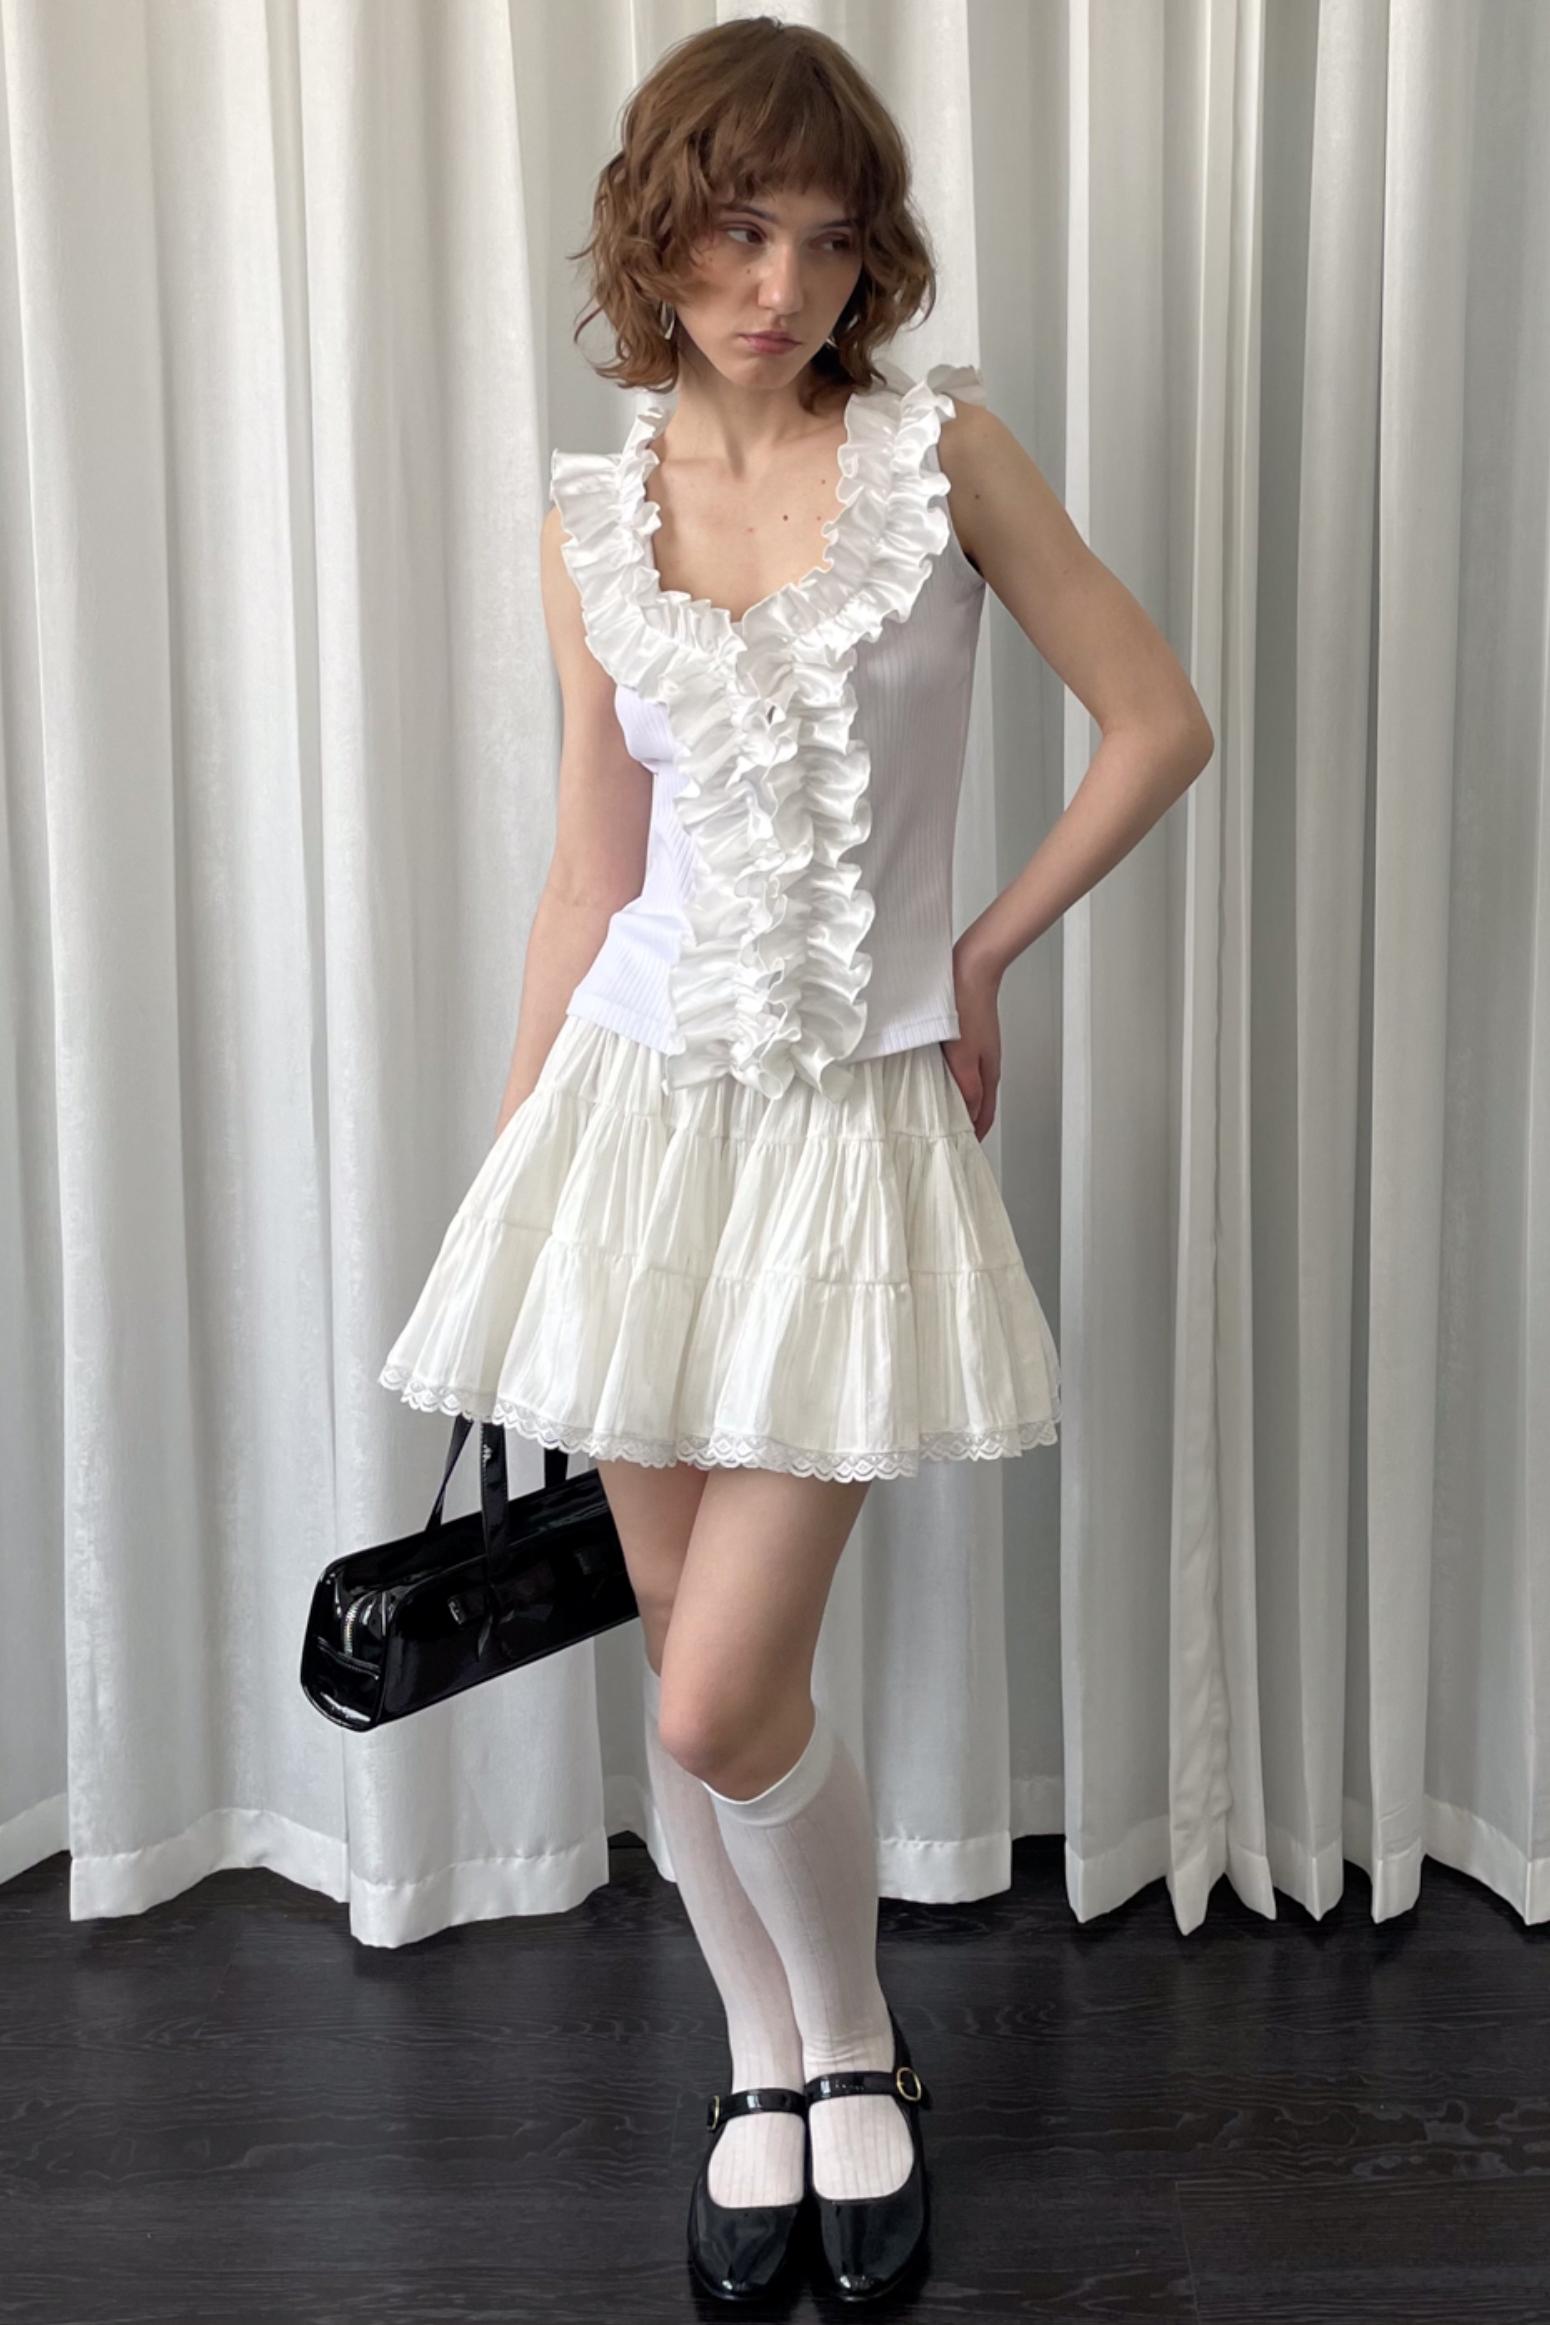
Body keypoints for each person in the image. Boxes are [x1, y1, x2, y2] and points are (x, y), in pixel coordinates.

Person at [380, 14, 1213, 2306]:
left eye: (831, 244)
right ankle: (769, 2059)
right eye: (741, 231)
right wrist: (521, 1168)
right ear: (657, 230)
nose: (784, 286)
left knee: (716, 1689)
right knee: (684, 1651)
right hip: (630, 1118)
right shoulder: (591, 521)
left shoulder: (946, 460)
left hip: (851, 1123)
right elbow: (589, 871)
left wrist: (980, 952)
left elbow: (1158, 722)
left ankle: (855, 2027)